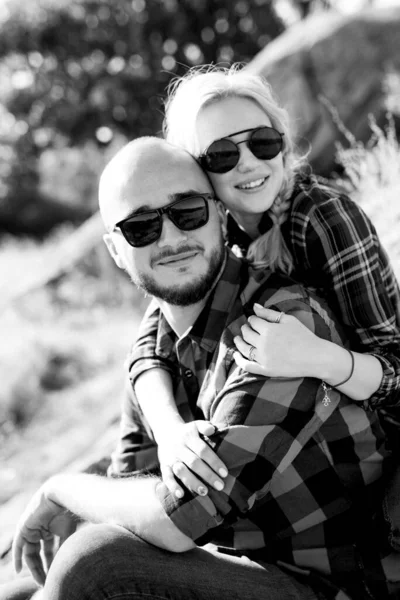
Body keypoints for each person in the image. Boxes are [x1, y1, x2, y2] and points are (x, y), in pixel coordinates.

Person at [1, 137, 396, 600]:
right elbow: (129, 484)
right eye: (140, 227)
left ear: (222, 215)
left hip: (331, 585)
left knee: (95, 562)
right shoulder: (157, 348)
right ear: (114, 250)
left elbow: (175, 520)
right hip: (232, 565)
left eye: (187, 211)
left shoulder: (280, 326)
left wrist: (59, 487)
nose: (170, 238)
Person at [128, 64, 400, 502]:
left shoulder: (322, 219)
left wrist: (320, 357)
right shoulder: (215, 229)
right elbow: (151, 336)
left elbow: (396, 370)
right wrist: (169, 430)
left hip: (379, 459)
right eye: (221, 154)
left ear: (282, 145)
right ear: (197, 175)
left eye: (262, 143)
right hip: (300, 439)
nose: (250, 163)